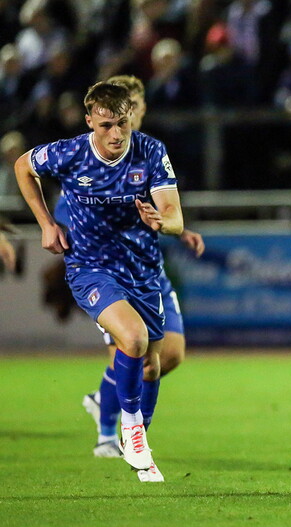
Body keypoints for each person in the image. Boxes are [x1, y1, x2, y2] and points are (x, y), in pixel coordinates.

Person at [15, 81, 185, 482]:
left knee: (152, 366)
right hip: (91, 268)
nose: (116, 133)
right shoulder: (71, 152)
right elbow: (23, 166)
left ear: (131, 118)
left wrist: (162, 222)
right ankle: (129, 429)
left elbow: (175, 217)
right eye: (106, 125)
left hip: (142, 270)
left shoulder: (150, 151)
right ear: (90, 120)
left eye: (122, 123)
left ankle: (137, 439)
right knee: (134, 339)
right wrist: (46, 223)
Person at [64, 75, 205, 465]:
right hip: (106, 271)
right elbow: (74, 208)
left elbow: (163, 210)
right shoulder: (84, 159)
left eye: (136, 110)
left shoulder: (147, 153)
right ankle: (109, 434)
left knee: (169, 355)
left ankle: (106, 400)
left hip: (148, 270)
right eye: (127, 111)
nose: (134, 116)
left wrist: (178, 229)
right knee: (129, 346)